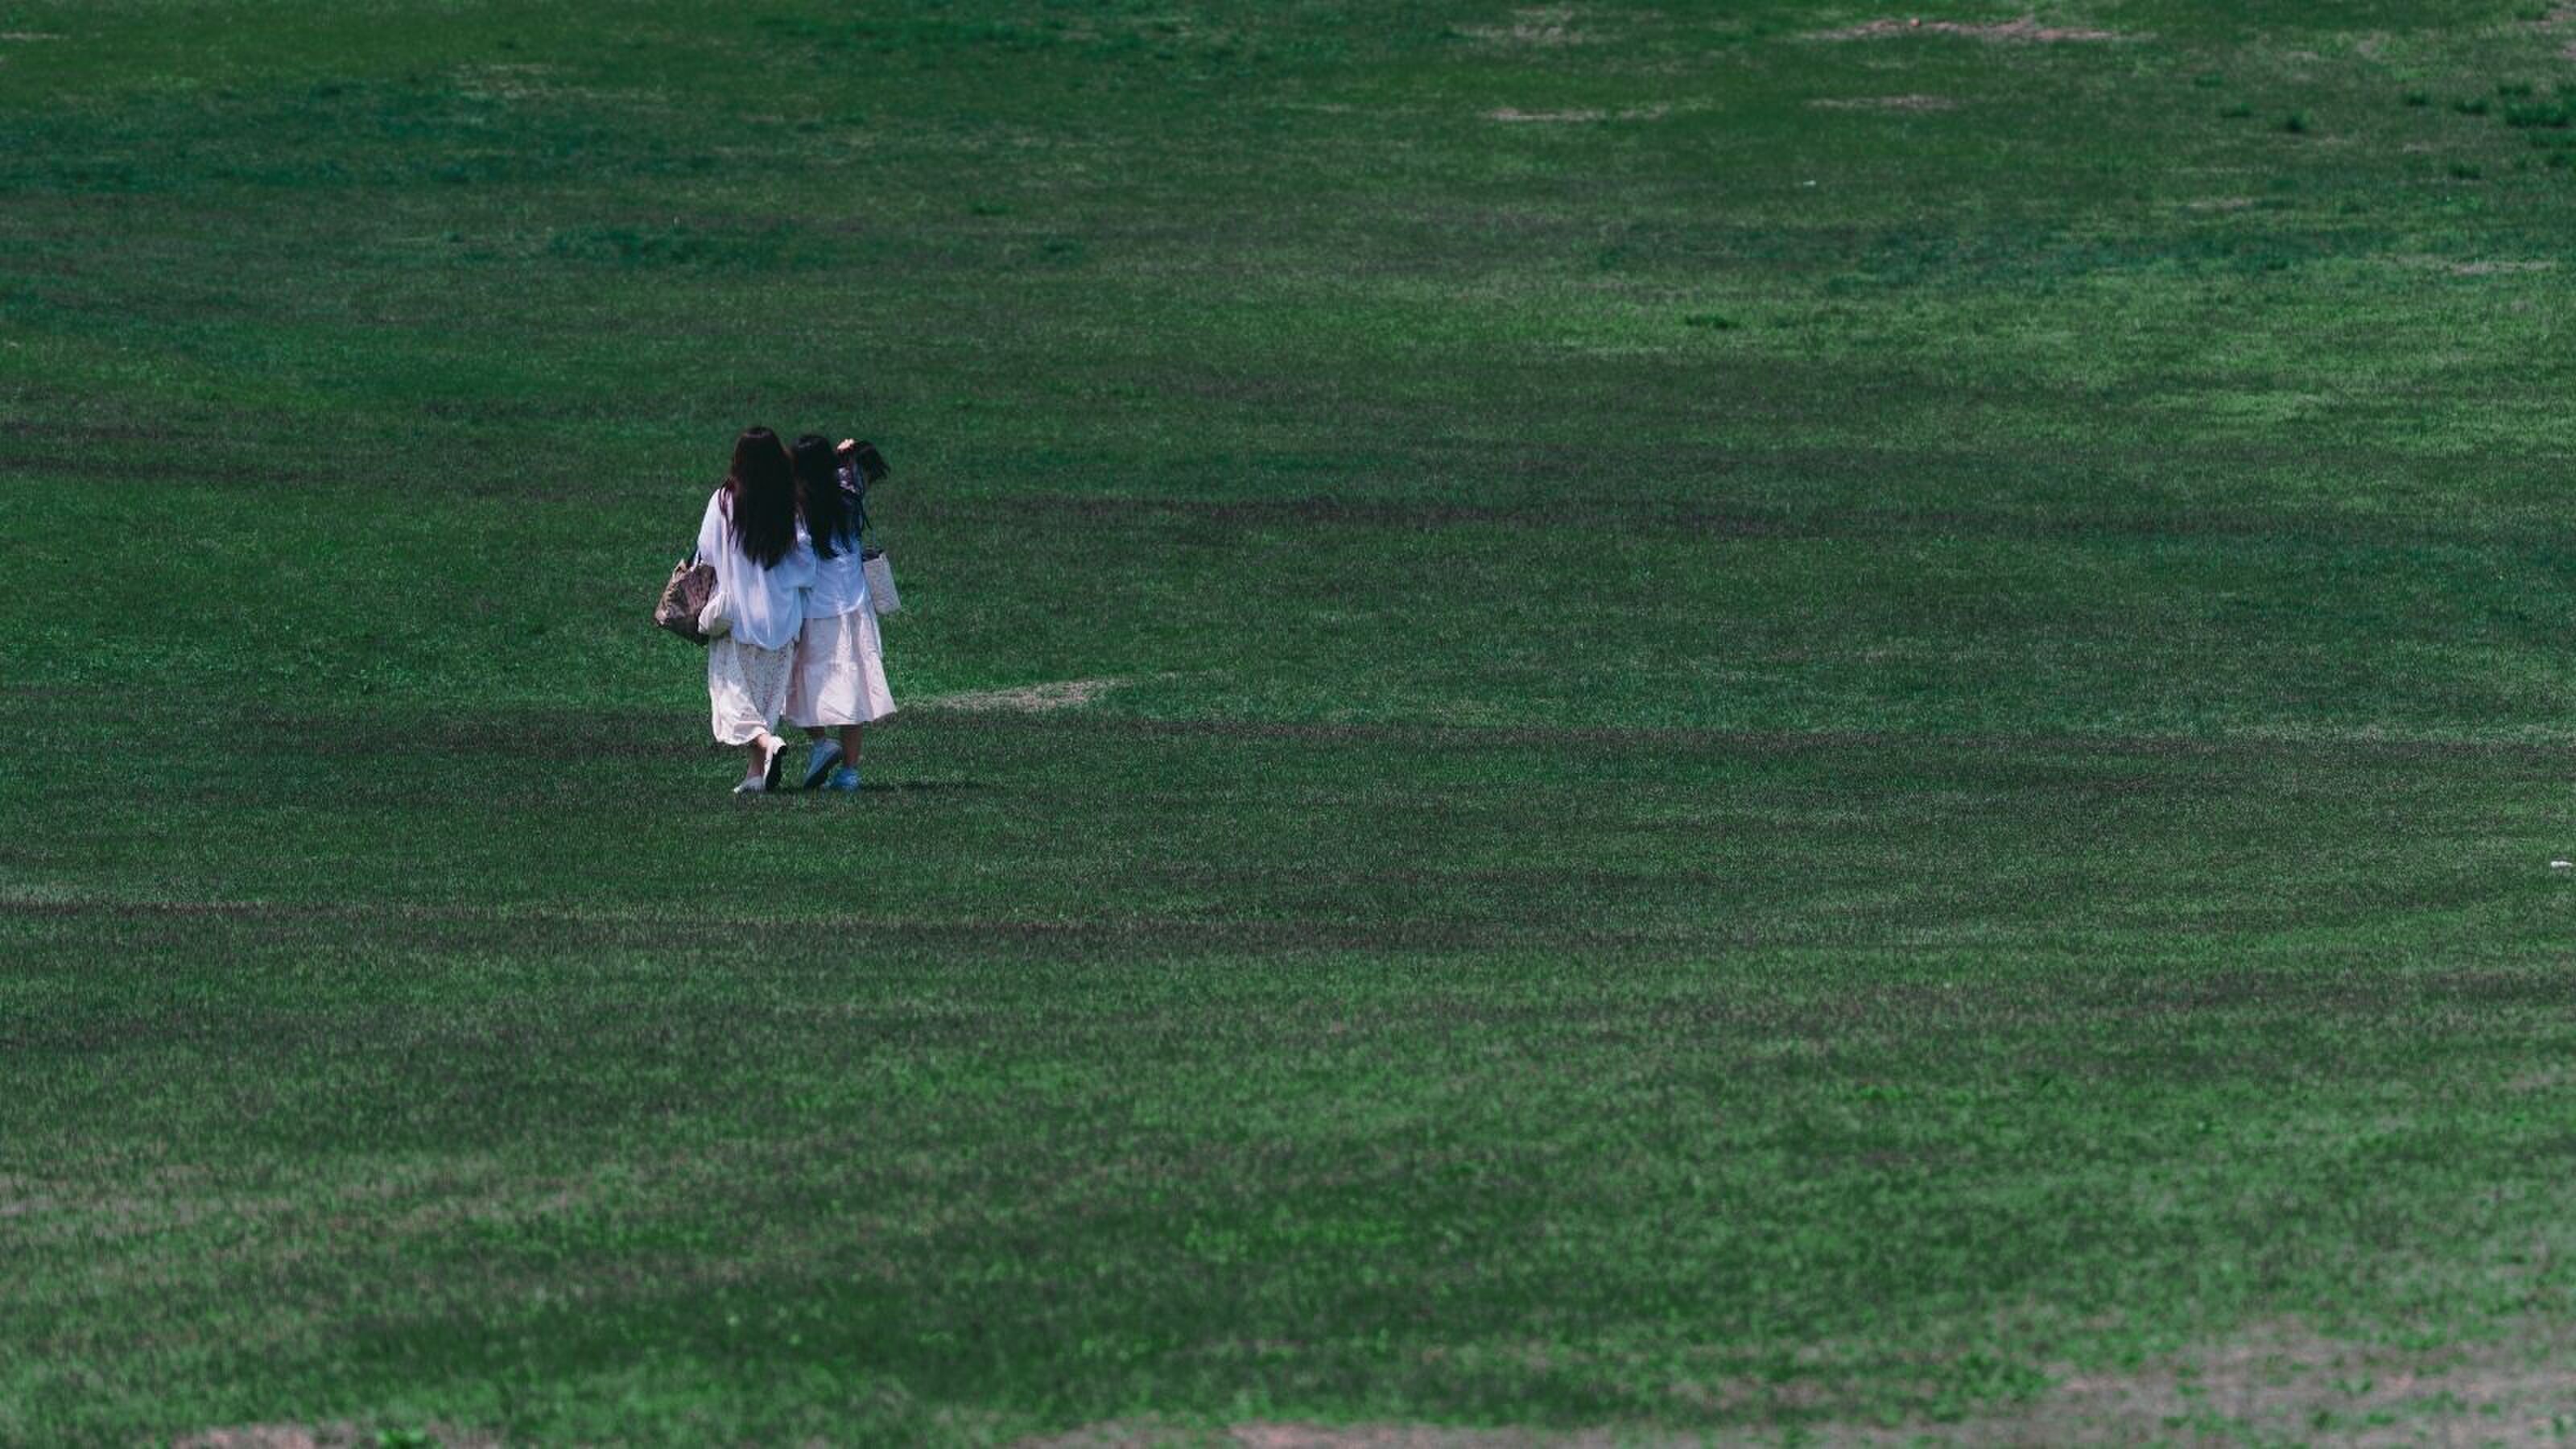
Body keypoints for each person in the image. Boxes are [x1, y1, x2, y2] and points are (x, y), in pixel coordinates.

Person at [696, 427, 815, 793]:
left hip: (739, 617)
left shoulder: (724, 500)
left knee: (731, 697)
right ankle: (754, 775)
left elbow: (707, 552)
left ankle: (767, 744)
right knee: (764, 698)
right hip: (782, 616)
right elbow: (805, 561)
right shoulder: (788, 503)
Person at [785, 433, 896, 791]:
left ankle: (821, 742)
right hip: (853, 604)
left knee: (795, 681)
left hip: (814, 608)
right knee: (853, 689)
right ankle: (849, 772)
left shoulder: (798, 505)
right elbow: (858, 470)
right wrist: (842, 458)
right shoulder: (849, 492)